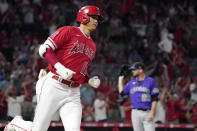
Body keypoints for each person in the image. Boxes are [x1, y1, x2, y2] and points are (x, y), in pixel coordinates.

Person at [5, 5, 102, 131]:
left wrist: (88, 79)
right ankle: (16, 123)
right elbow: (44, 49)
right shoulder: (68, 31)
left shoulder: (92, 45)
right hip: (54, 85)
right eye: (93, 17)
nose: (96, 21)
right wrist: (60, 68)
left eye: (98, 18)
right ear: (83, 17)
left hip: (73, 92)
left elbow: (80, 70)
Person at [118, 62, 159, 131]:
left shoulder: (150, 81)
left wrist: (152, 112)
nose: (132, 71)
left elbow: (155, 98)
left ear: (141, 70)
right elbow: (122, 94)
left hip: (147, 112)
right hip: (135, 112)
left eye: (134, 69)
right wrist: (120, 78)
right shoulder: (131, 82)